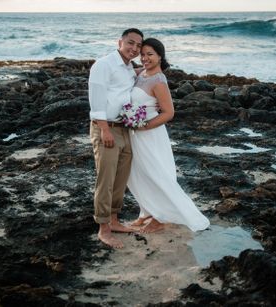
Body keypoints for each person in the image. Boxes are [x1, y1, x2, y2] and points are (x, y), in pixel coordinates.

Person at [127, 38, 210, 233]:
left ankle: (160, 217)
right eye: (143, 54)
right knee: (139, 173)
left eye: (150, 54)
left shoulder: (159, 80)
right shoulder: (142, 73)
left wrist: (143, 125)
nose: (145, 58)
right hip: (135, 132)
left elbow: (168, 113)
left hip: (150, 133)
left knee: (156, 173)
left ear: (160, 57)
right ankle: (146, 211)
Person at [88, 28, 143, 248]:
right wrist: (104, 129)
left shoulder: (129, 68)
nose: (134, 49)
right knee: (106, 179)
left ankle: (114, 219)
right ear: (119, 41)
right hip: (106, 128)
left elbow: (127, 86)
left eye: (139, 46)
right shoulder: (104, 65)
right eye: (130, 43)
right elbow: (97, 99)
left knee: (120, 179)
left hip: (124, 128)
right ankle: (103, 229)